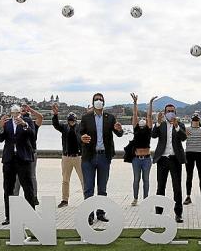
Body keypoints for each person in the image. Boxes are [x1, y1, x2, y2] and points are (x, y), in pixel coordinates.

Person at [80, 93, 124, 225]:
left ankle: (100, 213)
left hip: (104, 156)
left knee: (102, 188)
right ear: (92, 102)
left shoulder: (109, 118)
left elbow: (119, 134)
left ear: (104, 102)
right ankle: (89, 214)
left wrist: (120, 129)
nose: (98, 101)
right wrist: (81, 138)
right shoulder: (86, 118)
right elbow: (80, 133)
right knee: (88, 187)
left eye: (100, 99)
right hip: (89, 157)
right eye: (96, 100)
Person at [0, 105, 37, 226]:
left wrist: (24, 124)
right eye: (12, 113)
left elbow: (33, 136)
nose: (14, 115)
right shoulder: (7, 123)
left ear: (20, 112)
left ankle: (31, 215)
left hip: (23, 158)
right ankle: (9, 216)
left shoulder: (28, 121)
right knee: (8, 188)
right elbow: (0, 139)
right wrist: (1, 127)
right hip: (9, 159)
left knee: (28, 187)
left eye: (16, 113)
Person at [151, 103, 187, 223]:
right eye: (168, 111)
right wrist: (157, 122)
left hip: (175, 159)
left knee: (177, 188)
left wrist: (176, 126)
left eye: (172, 111)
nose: (170, 113)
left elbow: (183, 137)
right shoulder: (160, 124)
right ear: (165, 112)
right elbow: (153, 135)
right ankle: (158, 213)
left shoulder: (180, 124)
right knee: (160, 187)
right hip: (162, 159)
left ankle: (178, 214)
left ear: (175, 113)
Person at [52, 104, 84, 208]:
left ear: (76, 120)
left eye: (73, 120)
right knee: (65, 180)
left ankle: (86, 198)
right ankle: (64, 200)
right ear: (67, 120)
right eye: (70, 120)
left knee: (83, 179)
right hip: (66, 156)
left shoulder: (80, 127)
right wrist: (55, 114)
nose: (71, 122)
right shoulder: (64, 127)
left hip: (78, 156)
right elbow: (56, 124)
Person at [12, 104, 42, 206]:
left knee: (31, 176)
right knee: (16, 177)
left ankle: (34, 197)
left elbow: (40, 117)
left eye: (25, 111)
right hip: (20, 153)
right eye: (22, 111)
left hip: (31, 152)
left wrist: (30, 109)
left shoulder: (32, 124)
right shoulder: (17, 124)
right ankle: (14, 197)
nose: (23, 112)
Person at [129, 94, 156, 206]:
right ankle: (135, 198)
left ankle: (145, 199)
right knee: (136, 179)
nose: (142, 120)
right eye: (140, 119)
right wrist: (135, 103)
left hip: (146, 159)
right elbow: (135, 114)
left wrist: (150, 103)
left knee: (146, 180)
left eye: (144, 119)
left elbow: (149, 115)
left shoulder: (149, 130)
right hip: (136, 158)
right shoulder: (135, 128)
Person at [183, 111, 201, 205]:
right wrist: (183, 131)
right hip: (189, 153)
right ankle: (188, 196)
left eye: (196, 120)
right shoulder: (187, 129)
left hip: (200, 153)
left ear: (199, 121)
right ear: (191, 121)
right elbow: (181, 136)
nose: (195, 121)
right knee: (189, 176)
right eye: (194, 120)